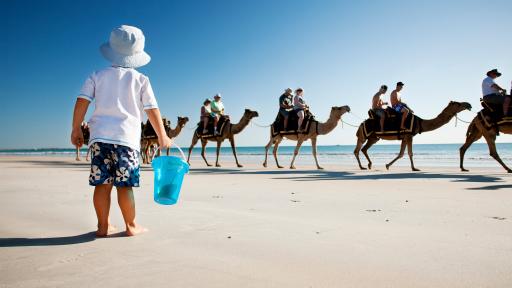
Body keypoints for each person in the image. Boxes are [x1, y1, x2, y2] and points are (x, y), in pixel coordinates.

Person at [71, 25, 172, 237]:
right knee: (125, 186)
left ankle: (103, 226)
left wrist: (76, 129)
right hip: (126, 141)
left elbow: (82, 101)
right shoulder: (141, 79)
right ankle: (131, 225)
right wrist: (162, 136)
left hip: (99, 140)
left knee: (102, 185)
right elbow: (152, 109)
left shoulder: (97, 75)